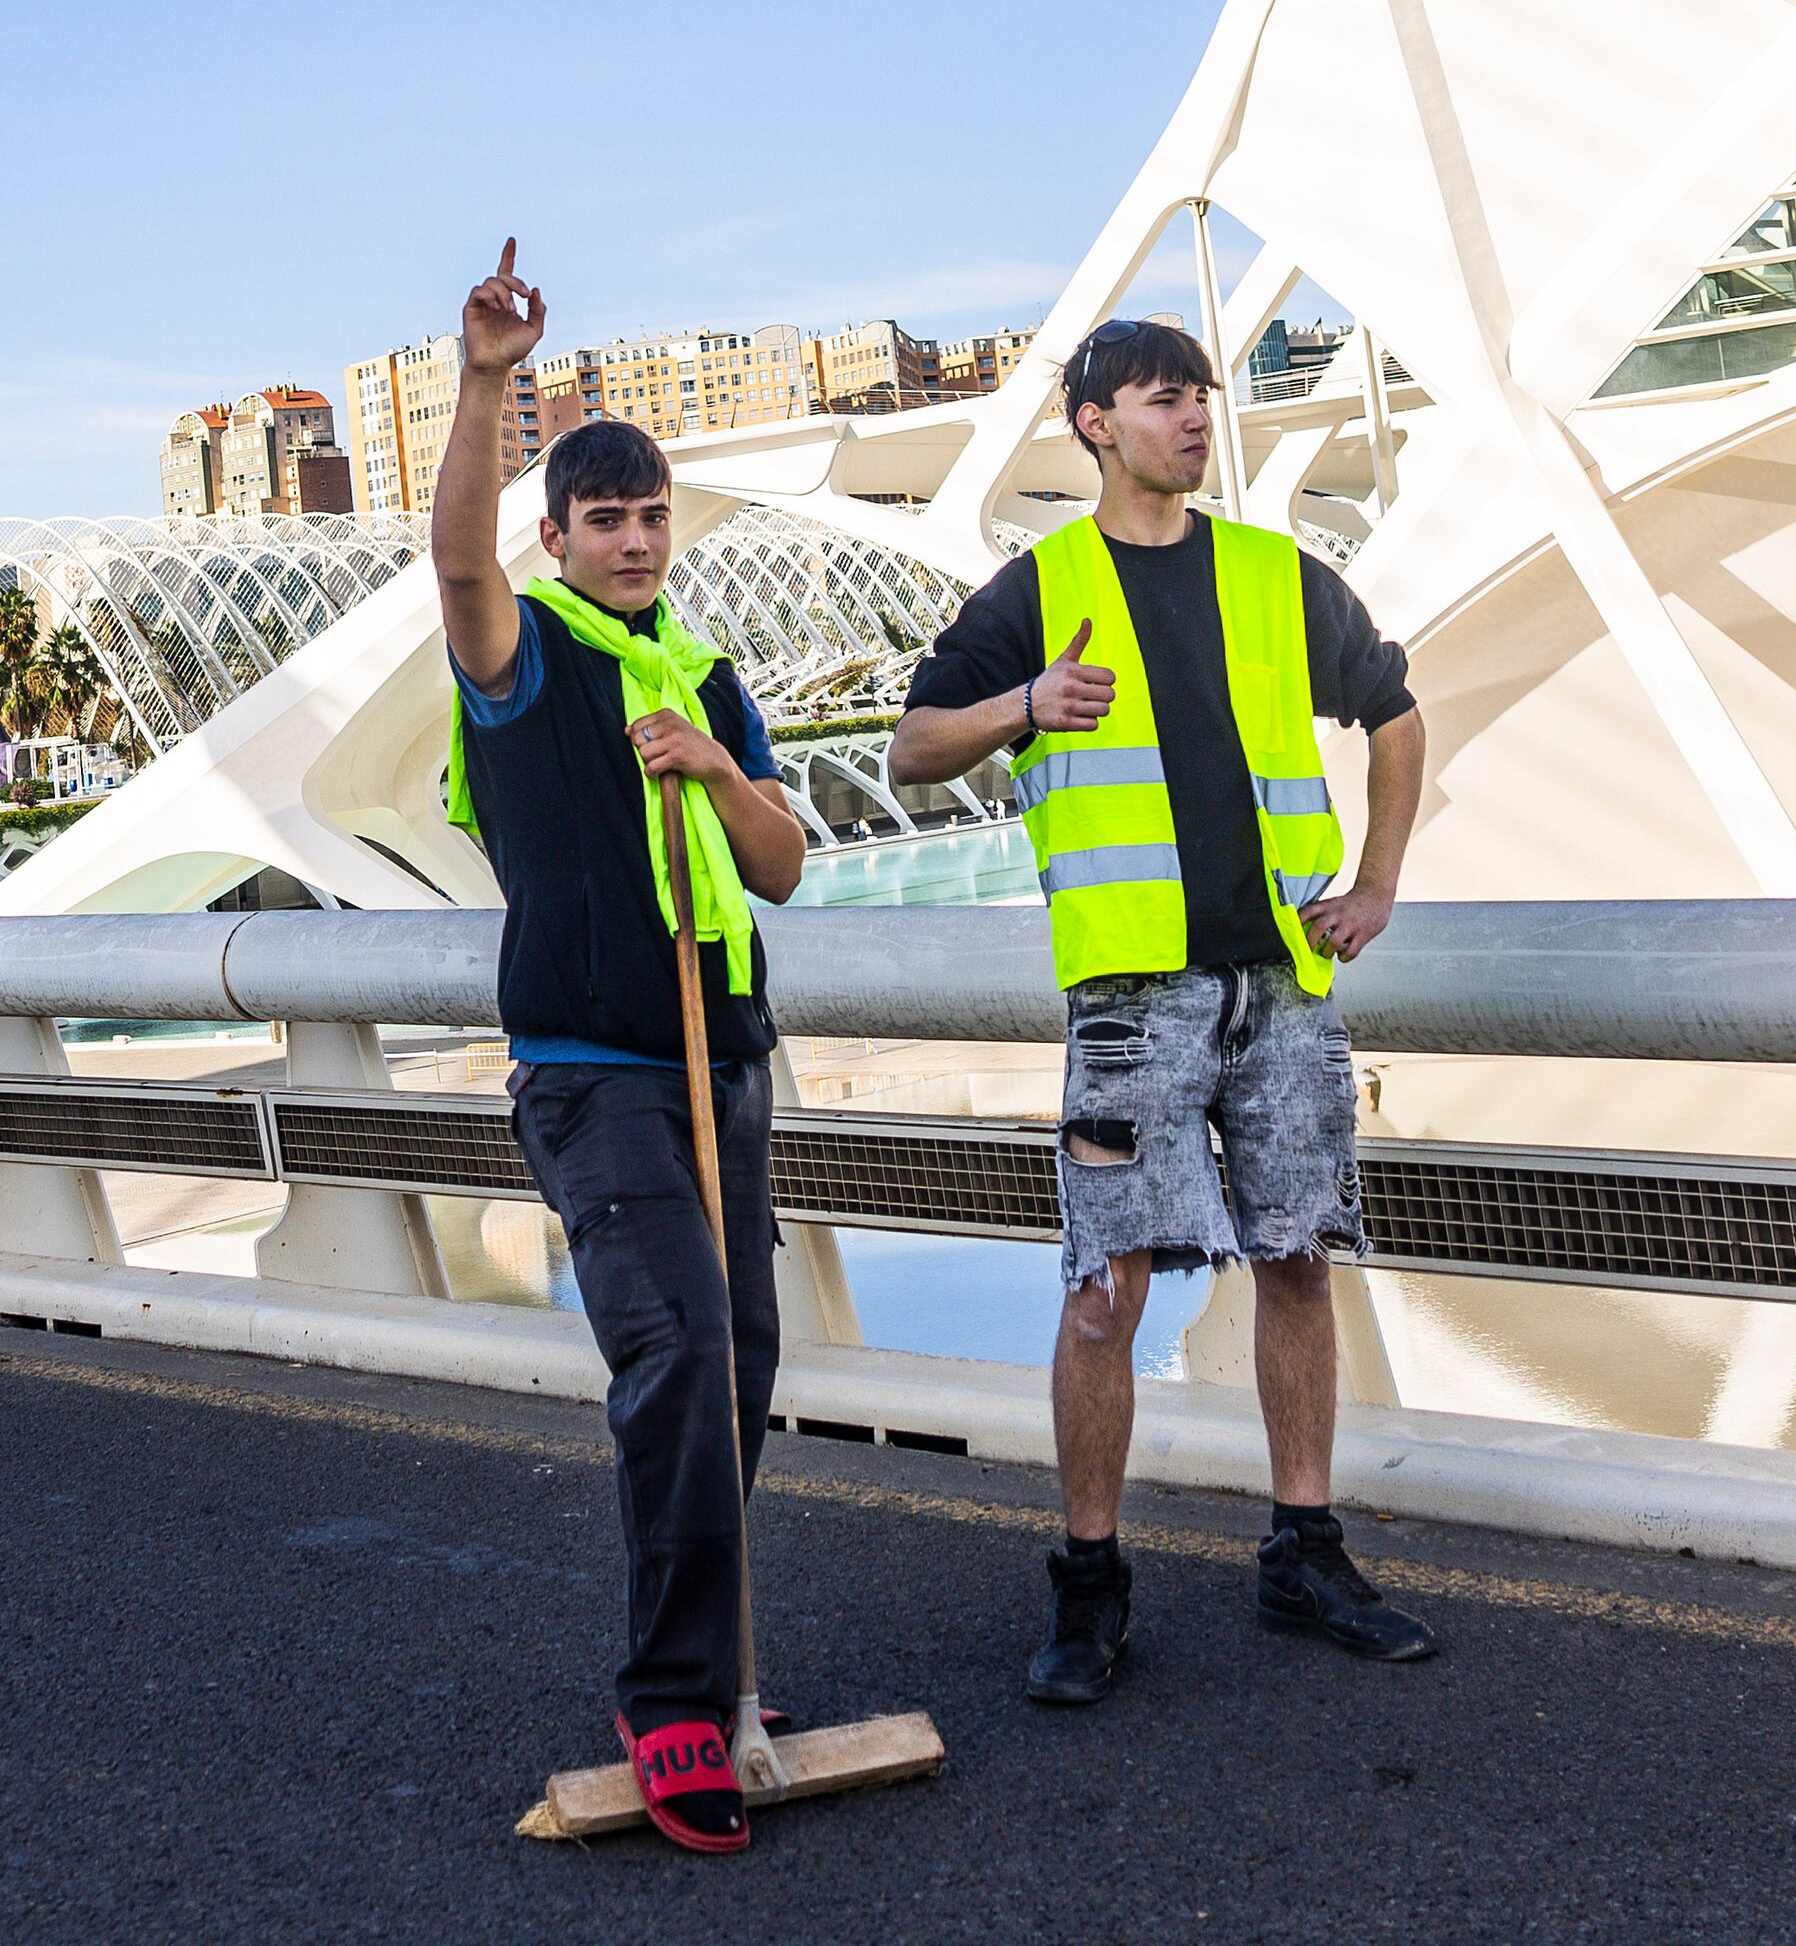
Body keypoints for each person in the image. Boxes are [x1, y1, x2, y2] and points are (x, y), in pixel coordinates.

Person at [886, 314, 1437, 1707]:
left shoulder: (1271, 573)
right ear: (1094, 424)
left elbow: (1395, 711)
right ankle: (1088, 1585)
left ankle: (1305, 1550)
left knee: (1298, 1256)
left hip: (1282, 982)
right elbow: (912, 745)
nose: (1194, 417)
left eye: (1200, 394)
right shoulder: (1040, 587)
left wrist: (1375, 881)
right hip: (1131, 998)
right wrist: (1025, 701)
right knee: (1102, 1292)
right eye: (1161, 397)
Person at [432, 239, 812, 1856]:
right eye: (606, 519)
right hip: (594, 1072)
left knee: (748, 1368)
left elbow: (785, 858)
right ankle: (670, 1703)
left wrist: (713, 770)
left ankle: (717, 1653)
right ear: (558, 535)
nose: (637, 540)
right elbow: (454, 569)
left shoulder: (709, 675)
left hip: (720, 1059)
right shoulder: (523, 664)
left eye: (653, 516)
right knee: (677, 1355)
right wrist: (487, 384)